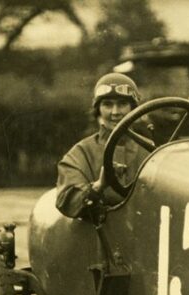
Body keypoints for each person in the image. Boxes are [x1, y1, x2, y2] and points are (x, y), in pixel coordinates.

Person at [56, 72, 151, 219]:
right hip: (97, 236)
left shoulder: (151, 151)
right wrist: (98, 186)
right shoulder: (79, 154)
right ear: (98, 109)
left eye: (122, 104)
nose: (115, 112)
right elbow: (67, 201)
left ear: (133, 108)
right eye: (107, 104)